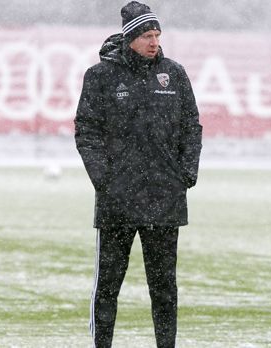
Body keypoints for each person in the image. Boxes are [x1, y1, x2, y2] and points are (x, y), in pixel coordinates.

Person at [74, 2, 202, 347]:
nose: (154, 42)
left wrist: (186, 174)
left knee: (164, 290)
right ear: (130, 37)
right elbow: (87, 130)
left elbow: (192, 127)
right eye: (147, 35)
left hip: (165, 199)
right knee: (108, 286)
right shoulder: (100, 76)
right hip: (118, 201)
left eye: (158, 35)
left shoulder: (174, 74)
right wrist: (104, 179)